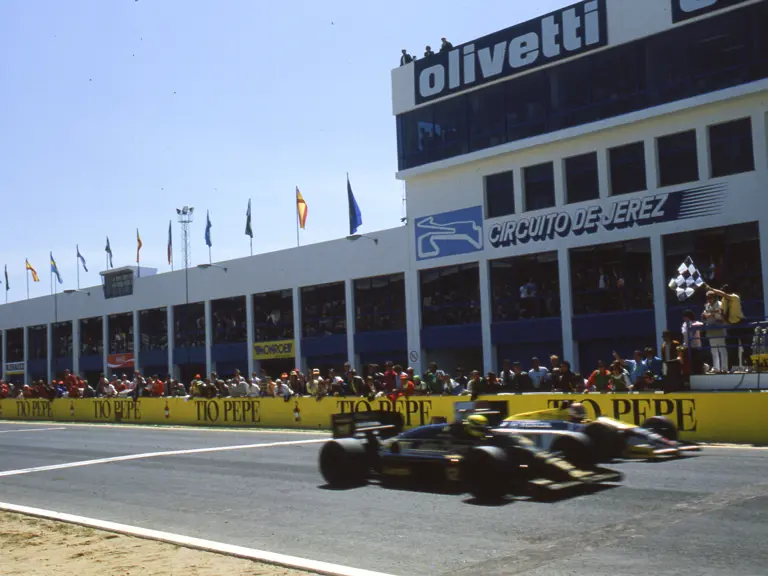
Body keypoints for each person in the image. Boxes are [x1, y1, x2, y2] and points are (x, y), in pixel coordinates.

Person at [702, 291, 727, 373]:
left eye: (710, 297)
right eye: (708, 298)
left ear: (714, 297)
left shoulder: (719, 304)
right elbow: (704, 316)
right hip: (710, 330)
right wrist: (711, 313)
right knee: (713, 351)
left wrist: (711, 314)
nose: (709, 299)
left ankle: (724, 368)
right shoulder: (707, 306)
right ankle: (716, 368)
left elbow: (720, 315)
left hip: (719, 330)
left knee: (722, 350)